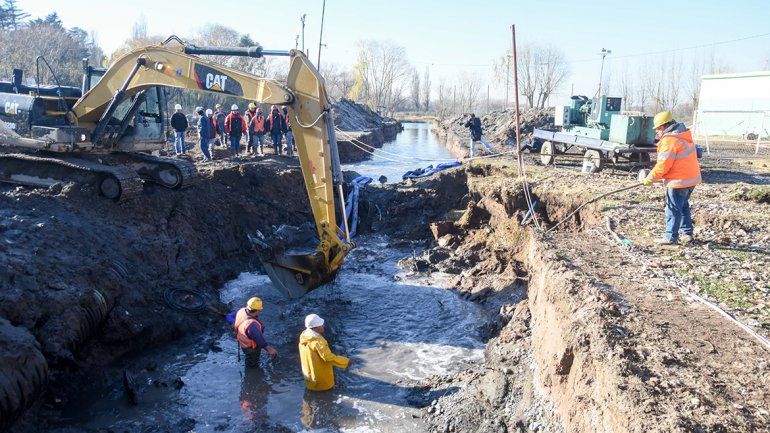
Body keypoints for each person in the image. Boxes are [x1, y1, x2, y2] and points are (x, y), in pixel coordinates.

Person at [642, 111, 702, 245]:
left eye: (657, 128)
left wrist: (650, 178)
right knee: (683, 206)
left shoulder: (669, 141)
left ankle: (670, 237)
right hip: (691, 180)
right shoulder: (683, 135)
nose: (657, 132)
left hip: (678, 181)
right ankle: (687, 234)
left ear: (663, 126)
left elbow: (663, 165)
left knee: (673, 208)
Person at [298, 314, 355, 391]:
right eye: (321, 325)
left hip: (309, 375)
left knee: (312, 390)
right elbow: (328, 357)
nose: (323, 326)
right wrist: (346, 361)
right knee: (326, 394)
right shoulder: (318, 342)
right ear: (316, 328)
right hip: (321, 378)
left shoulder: (304, 335)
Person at [226, 297, 278, 367]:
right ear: (257, 310)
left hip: (243, 342)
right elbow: (260, 340)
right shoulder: (252, 326)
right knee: (252, 364)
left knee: (249, 358)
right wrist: (269, 349)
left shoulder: (242, 310)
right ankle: (252, 374)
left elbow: (229, 316)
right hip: (250, 348)